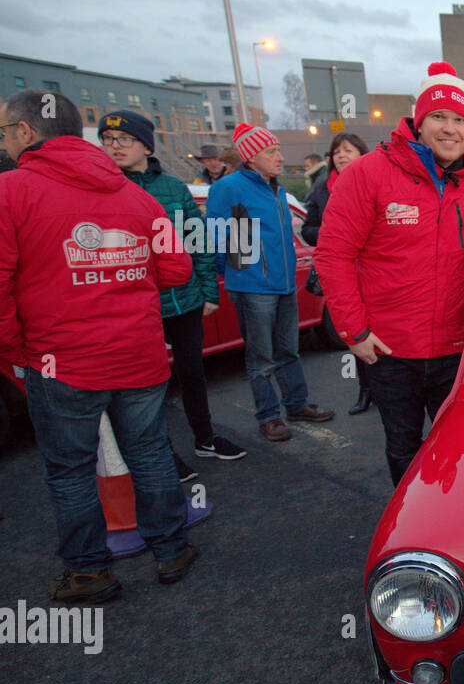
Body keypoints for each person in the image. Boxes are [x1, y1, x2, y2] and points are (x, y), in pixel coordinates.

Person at [0, 90, 200, 601]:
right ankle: (171, 550)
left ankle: (88, 571)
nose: (3, 141)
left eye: (4, 131)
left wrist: (16, 349)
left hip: (59, 360)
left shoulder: (11, 192)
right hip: (138, 354)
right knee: (150, 452)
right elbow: (176, 268)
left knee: (70, 469)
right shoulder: (135, 195)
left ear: (26, 133)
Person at [313, 61, 464, 485]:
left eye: (459, 120)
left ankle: (455, 524)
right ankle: (412, 527)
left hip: (457, 349)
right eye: (438, 117)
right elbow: (333, 254)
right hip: (390, 350)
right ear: (419, 123)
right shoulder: (368, 173)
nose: (449, 128)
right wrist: (354, 332)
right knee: (403, 446)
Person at [99, 110, 246, 480]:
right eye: (107, 139)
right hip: (138, 306)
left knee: (193, 373)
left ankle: (205, 437)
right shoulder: (102, 187)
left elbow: (197, 242)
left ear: (146, 146)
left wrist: (209, 291)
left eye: (124, 140)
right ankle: (160, 453)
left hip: (185, 300)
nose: (114, 146)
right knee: (147, 386)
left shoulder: (173, 187)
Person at [206, 122, 334, 442]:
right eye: (271, 151)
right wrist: (238, 274)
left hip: (283, 284)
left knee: (288, 351)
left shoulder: (274, 187)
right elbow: (218, 235)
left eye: (278, 150)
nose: (279, 157)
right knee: (261, 359)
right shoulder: (229, 187)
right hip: (252, 287)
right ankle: (269, 416)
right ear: (250, 157)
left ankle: (296, 404)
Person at [302, 132, 373, 415]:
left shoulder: (372, 182)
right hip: (343, 271)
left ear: (361, 155)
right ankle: (365, 391)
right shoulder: (321, 189)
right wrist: (335, 234)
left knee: (381, 330)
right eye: (337, 151)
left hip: (372, 270)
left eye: (348, 150)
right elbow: (308, 229)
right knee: (355, 331)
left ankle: (384, 389)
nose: (342, 156)